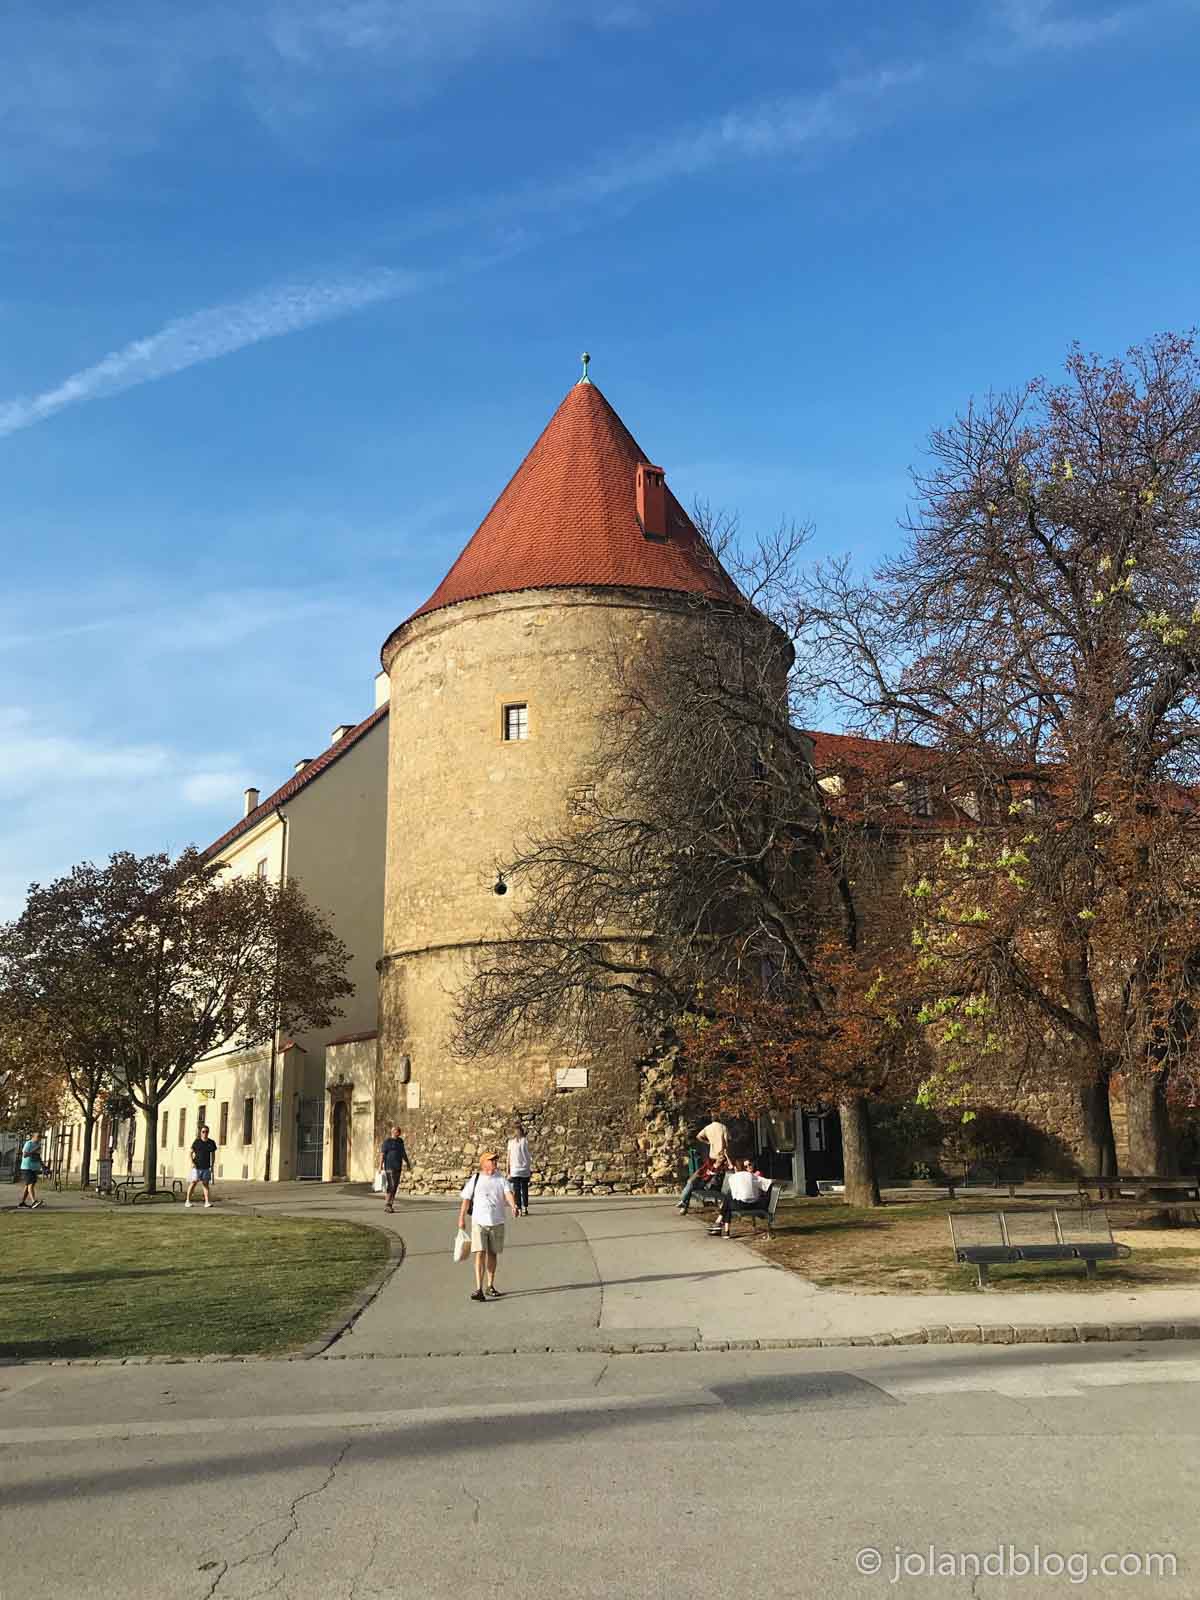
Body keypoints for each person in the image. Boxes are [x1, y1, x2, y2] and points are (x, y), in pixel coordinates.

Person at [457, 1150, 518, 1302]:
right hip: (479, 1222)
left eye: (495, 1160)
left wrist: (513, 1206)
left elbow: (508, 1193)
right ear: (483, 1163)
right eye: (491, 1160)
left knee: (492, 1254)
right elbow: (466, 1199)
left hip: (497, 1222)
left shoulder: (501, 1179)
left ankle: (490, 1286)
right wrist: (461, 1218)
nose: (495, 1162)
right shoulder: (476, 1178)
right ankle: (479, 1288)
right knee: (479, 1253)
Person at [709, 1160, 772, 1238]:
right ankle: (722, 1228)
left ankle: (721, 1226)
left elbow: (734, 1194)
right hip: (754, 1204)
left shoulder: (732, 1177)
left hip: (741, 1205)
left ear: (735, 1168)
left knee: (728, 1199)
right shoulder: (751, 1175)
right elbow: (767, 1183)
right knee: (728, 1201)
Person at [379, 1125, 412, 1212]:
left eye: (399, 1131)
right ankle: (387, 1204)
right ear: (393, 1132)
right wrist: (380, 1166)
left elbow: (403, 1153)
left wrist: (407, 1163)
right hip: (389, 1166)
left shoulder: (400, 1141)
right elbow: (382, 1154)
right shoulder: (387, 1142)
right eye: (397, 1131)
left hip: (398, 1166)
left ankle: (390, 1204)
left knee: (395, 1186)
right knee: (391, 1184)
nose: (398, 1132)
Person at [185, 1124, 218, 1209]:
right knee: (193, 1183)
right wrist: (192, 1162)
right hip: (197, 1167)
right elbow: (190, 1153)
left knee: (205, 1184)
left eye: (206, 1132)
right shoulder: (197, 1142)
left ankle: (207, 1202)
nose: (205, 1133)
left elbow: (213, 1155)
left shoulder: (211, 1142)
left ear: (208, 1132)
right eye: (203, 1132)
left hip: (206, 1167)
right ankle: (187, 1201)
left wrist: (212, 1165)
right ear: (201, 1133)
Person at [506, 1122, 532, 1216]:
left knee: (518, 1189)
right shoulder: (524, 1141)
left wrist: (507, 1170)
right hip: (521, 1168)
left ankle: (521, 1208)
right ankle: (523, 1207)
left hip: (517, 1169)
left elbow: (508, 1157)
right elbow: (528, 1155)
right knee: (523, 1189)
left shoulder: (513, 1142)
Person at [18, 1134, 46, 1209]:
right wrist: (34, 1150)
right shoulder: (29, 1144)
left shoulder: (38, 1145)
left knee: (28, 1185)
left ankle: (22, 1203)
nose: (39, 1138)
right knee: (31, 1185)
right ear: (33, 1137)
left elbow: (38, 1156)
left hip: (34, 1168)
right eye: (38, 1137)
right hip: (27, 1167)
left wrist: (43, 1166)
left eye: (40, 1137)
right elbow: (25, 1155)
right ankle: (34, 1202)